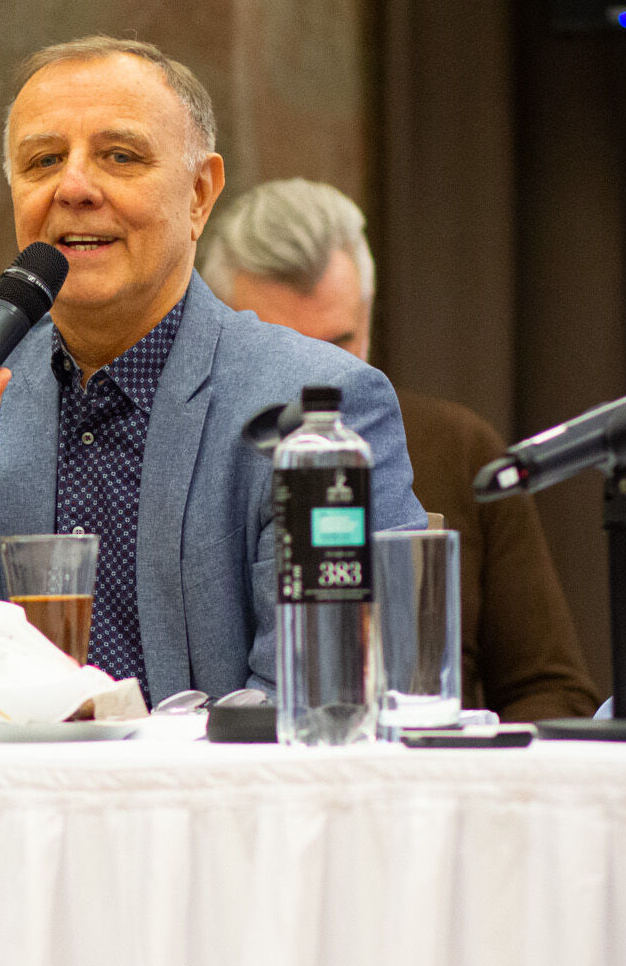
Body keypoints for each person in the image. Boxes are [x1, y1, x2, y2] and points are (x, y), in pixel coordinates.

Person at [0, 36, 426, 700]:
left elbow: (326, 698)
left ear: (199, 194)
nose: (74, 187)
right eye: (43, 160)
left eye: (120, 156)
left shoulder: (319, 412)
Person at [201, 177, 599, 720]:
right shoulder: (195, 466)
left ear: (370, 318)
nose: (315, 377)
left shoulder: (460, 448)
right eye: (283, 347)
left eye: (339, 343)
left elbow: (553, 690)